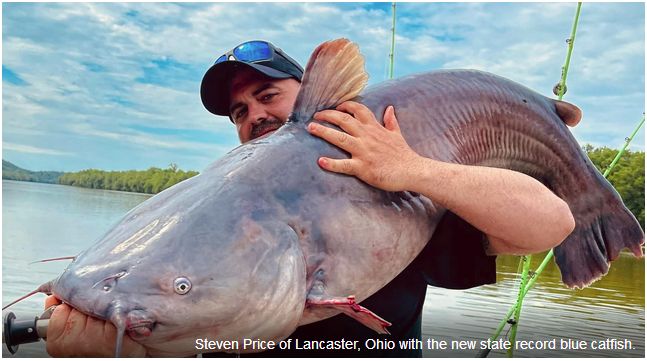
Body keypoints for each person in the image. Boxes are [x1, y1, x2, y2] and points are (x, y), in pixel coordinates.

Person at [44, 40, 574, 357]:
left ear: (309, 92)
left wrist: (410, 168)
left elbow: (551, 225)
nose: (254, 115)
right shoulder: (212, 199)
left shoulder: (400, 189)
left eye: (268, 95)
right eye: (238, 112)